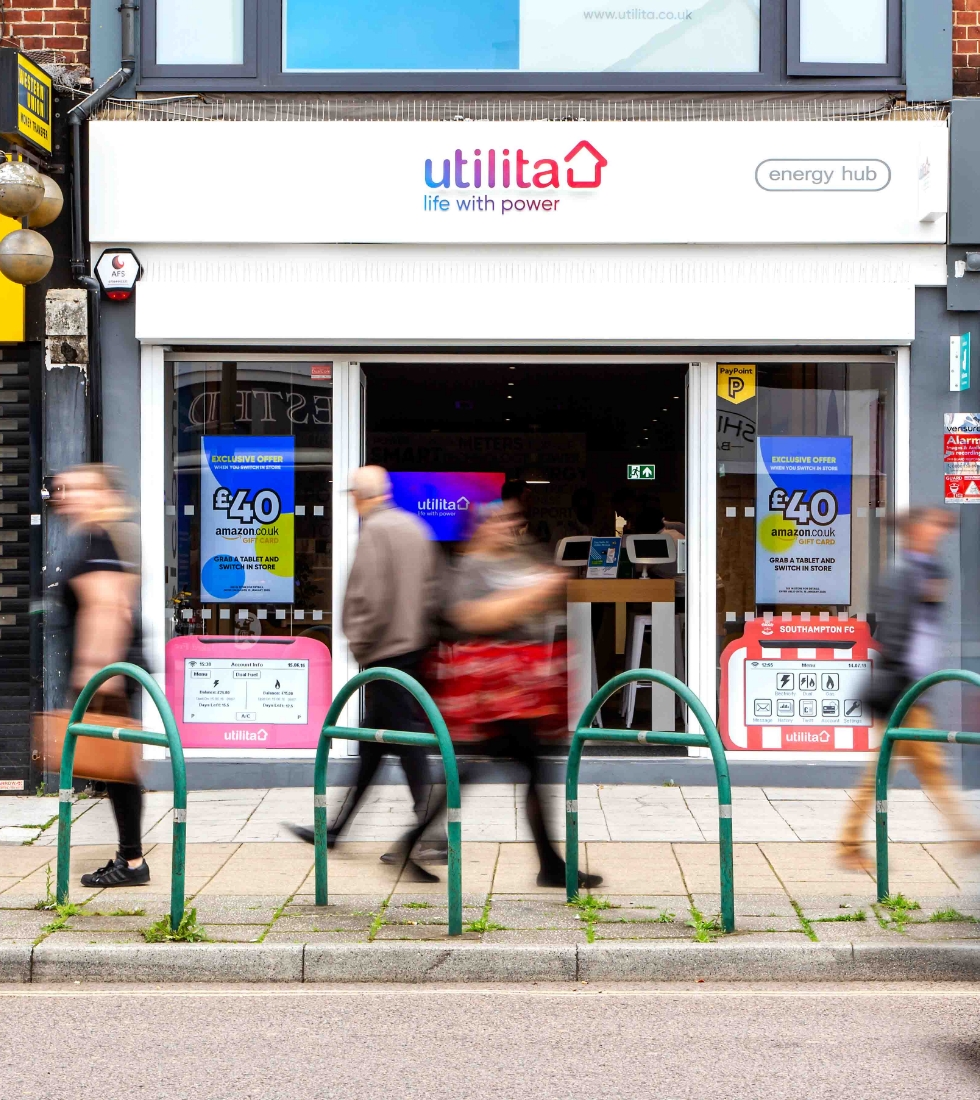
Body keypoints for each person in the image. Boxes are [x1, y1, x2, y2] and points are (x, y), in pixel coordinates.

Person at [286, 465, 444, 877]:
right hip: (413, 649)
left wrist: (359, 644)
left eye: (353, 493)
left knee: (405, 742)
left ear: (361, 495)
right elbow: (433, 591)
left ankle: (431, 836)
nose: (352, 501)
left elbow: (368, 597)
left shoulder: (375, 530)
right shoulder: (415, 527)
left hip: (386, 653)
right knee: (374, 746)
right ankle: (337, 829)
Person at [437, 497, 602, 888]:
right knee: (519, 769)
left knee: (494, 770)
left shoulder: (515, 558)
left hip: (516, 688)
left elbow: (542, 598)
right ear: (481, 526)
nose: (510, 525)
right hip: (490, 690)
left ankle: (549, 864)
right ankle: (550, 866)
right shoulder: (472, 565)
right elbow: (472, 616)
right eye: (500, 519)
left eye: (513, 518)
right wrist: (535, 592)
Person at [839, 507, 979, 869]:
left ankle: (967, 836)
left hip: (916, 688)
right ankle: (849, 845)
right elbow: (897, 633)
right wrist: (905, 678)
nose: (938, 535)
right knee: (895, 768)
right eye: (931, 528)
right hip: (904, 688)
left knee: (920, 767)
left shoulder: (929, 571)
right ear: (914, 531)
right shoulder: (903, 573)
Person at [51, 464, 147, 888]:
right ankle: (131, 858)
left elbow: (109, 608)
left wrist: (93, 679)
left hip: (109, 673)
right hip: (114, 671)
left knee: (118, 769)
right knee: (117, 771)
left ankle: (133, 861)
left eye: (81, 488)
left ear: (104, 495)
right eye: (64, 488)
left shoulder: (102, 541)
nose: (67, 495)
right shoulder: (99, 539)